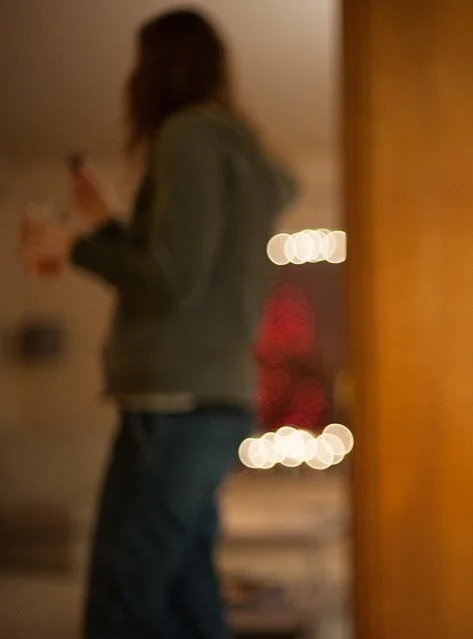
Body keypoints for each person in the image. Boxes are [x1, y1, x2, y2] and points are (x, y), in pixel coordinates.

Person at [20, 8, 299, 638]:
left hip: (172, 410)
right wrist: (102, 229)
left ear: (156, 69)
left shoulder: (188, 137)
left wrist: (75, 247)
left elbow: (167, 282)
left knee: (122, 608)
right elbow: (183, 275)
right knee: (186, 597)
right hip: (212, 403)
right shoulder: (240, 154)